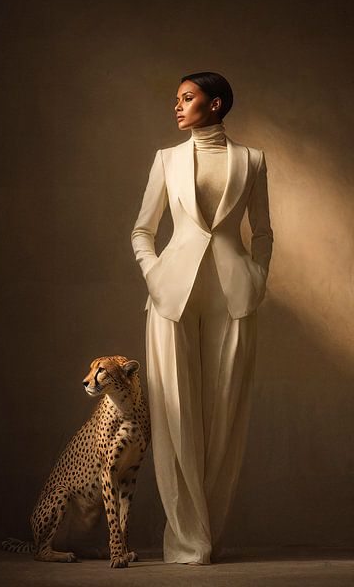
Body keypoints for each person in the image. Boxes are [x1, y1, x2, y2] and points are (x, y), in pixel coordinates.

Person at [131, 71, 273, 565]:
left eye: (187, 98)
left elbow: (263, 231)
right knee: (175, 412)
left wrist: (258, 277)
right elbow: (142, 230)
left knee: (224, 418)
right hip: (171, 295)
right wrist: (154, 274)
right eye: (176, 99)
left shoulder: (252, 160)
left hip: (233, 297)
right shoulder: (166, 159)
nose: (177, 106)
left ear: (215, 104)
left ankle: (205, 533)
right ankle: (187, 539)